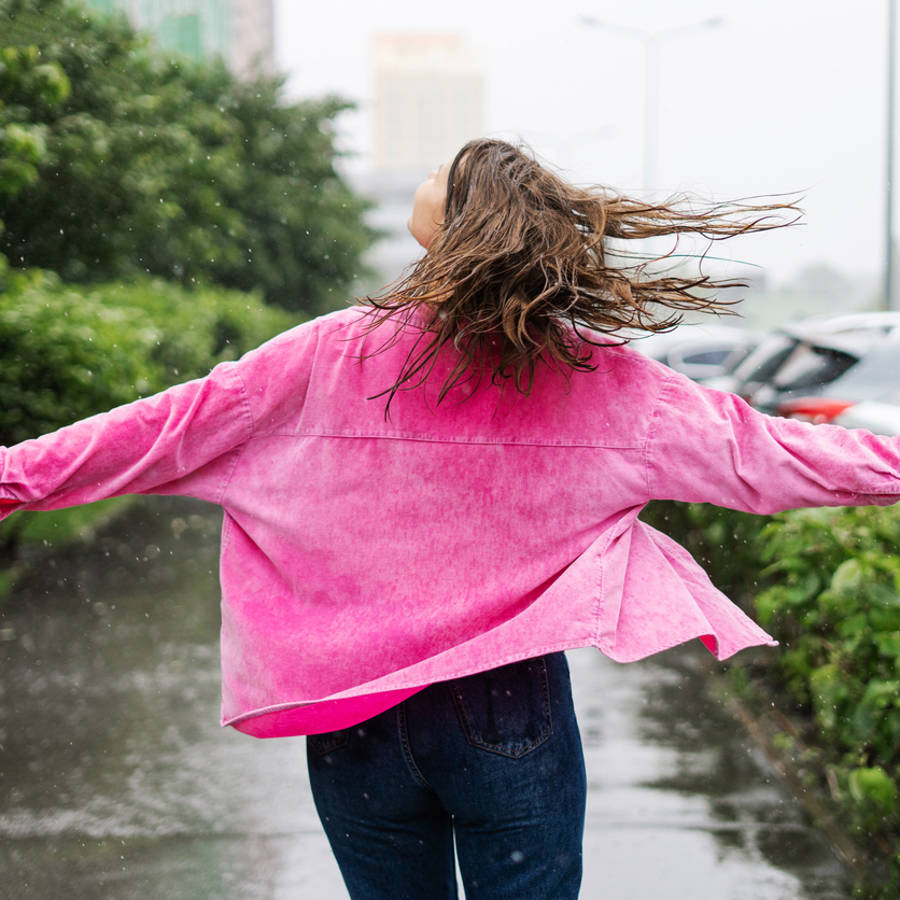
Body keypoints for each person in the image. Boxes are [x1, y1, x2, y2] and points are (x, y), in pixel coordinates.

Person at [1, 137, 899, 899]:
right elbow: (772, 456)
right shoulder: (602, 382)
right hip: (506, 708)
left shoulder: (325, 353)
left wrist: (10, 480)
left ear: (453, 221)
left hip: (353, 709)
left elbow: (158, 430)